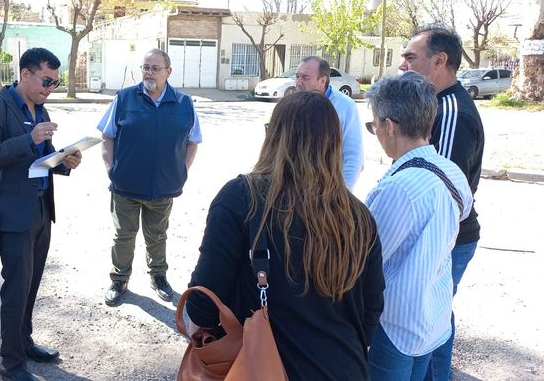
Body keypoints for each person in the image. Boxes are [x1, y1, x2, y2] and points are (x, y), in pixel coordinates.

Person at [186, 91, 384, 380]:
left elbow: (203, 306)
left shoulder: (241, 198)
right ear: (334, 143)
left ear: (274, 135)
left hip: (263, 370)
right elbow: (371, 311)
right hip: (346, 367)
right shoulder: (359, 216)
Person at [0, 47, 82, 381]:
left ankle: (24, 340)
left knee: (31, 285)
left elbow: (43, 157)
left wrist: (64, 161)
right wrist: (28, 138)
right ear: (26, 74)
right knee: (16, 288)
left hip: (40, 210)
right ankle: (11, 363)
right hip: (10, 213)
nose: (50, 88)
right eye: (47, 81)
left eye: (55, 84)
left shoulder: (41, 110)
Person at [363, 72, 474, 380]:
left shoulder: (398, 189)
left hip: (395, 324)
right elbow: (462, 217)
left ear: (390, 125)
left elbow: (366, 260)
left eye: (374, 126)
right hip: (433, 314)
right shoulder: (450, 171)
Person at [398, 26, 485, 380]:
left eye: (410, 57)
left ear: (439, 61)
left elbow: (438, 189)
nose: (402, 66)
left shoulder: (448, 112)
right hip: (446, 237)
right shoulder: (438, 104)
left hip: (447, 239)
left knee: (428, 317)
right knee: (433, 313)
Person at [97, 48, 202, 306]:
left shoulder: (184, 103)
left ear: (169, 72)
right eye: (145, 67)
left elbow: (193, 142)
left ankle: (158, 277)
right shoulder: (124, 99)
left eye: (155, 68)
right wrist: (111, 168)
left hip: (163, 188)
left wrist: (182, 172)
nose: (149, 72)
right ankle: (119, 279)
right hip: (125, 187)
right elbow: (107, 136)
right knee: (123, 236)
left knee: (158, 236)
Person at [295, 56, 364, 189]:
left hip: (329, 192)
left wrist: (342, 195)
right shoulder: (293, 105)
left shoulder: (344, 106)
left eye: (305, 77)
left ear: (322, 80)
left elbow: (354, 156)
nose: (298, 82)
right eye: (297, 76)